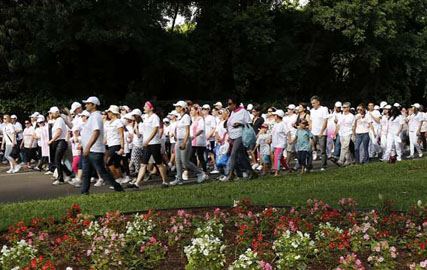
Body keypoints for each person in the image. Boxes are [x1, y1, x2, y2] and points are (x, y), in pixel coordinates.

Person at [80, 96, 124, 195]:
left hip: (94, 150)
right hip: (90, 149)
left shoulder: (95, 116)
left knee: (102, 171)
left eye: (88, 103)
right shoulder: (93, 116)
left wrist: (88, 147)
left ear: (94, 105)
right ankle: (84, 191)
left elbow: (96, 132)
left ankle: (118, 187)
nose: (86, 105)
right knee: (86, 172)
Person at [130, 101, 168, 188]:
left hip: (154, 143)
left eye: (146, 106)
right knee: (143, 164)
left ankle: (165, 182)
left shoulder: (154, 117)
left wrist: (148, 140)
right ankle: (137, 183)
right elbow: (142, 131)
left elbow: (155, 130)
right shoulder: (145, 118)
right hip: (147, 144)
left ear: (151, 108)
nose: (144, 108)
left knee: (159, 164)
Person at [169, 101, 207, 185]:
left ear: (182, 108)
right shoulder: (180, 117)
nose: (176, 108)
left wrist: (185, 143)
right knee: (177, 160)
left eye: (177, 106)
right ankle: (179, 178)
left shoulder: (186, 117)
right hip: (179, 140)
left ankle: (200, 173)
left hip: (184, 140)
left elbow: (187, 131)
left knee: (185, 161)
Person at [224, 95, 257, 181]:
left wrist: (240, 124)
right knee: (242, 156)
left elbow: (250, 124)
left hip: (239, 135)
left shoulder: (243, 111)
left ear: (235, 104)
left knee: (233, 154)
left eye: (230, 104)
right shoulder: (233, 112)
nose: (229, 105)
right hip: (232, 136)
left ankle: (231, 174)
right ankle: (252, 172)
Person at [48, 107, 73, 185]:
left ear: (55, 113)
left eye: (51, 113)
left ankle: (60, 178)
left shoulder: (59, 120)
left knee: (57, 160)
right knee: (58, 161)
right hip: (59, 142)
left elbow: (59, 132)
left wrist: (51, 140)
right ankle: (68, 173)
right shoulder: (57, 121)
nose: (50, 114)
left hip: (61, 142)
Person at [103, 105, 125, 185]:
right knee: (116, 163)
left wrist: (122, 147)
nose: (108, 113)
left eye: (109, 112)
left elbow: (121, 135)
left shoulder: (118, 122)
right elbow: (107, 136)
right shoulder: (108, 123)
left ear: (113, 113)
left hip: (116, 144)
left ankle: (117, 179)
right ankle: (120, 178)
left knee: (107, 161)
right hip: (110, 145)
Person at [308, 96, 329, 170]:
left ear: (318, 102)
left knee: (322, 150)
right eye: (312, 103)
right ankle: (309, 165)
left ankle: (323, 165)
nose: (312, 105)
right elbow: (310, 120)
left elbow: (325, 121)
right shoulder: (312, 110)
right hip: (313, 132)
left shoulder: (324, 109)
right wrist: (310, 129)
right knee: (310, 149)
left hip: (321, 133)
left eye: (314, 103)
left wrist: (322, 131)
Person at [190, 104, 209, 181]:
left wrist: (194, 136)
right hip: (193, 141)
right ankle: (197, 171)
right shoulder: (193, 119)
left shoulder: (200, 119)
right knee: (191, 156)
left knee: (200, 157)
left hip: (199, 141)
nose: (191, 112)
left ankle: (204, 172)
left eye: (192, 110)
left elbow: (201, 129)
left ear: (197, 110)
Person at [270, 110, 290, 176]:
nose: (273, 116)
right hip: (275, 143)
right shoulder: (276, 124)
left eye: (274, 115)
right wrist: (269, 138)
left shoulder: (283, 124)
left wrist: (290, 139)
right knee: (280, 157)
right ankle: (287, 168)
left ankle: (277, 172)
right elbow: (272, 133)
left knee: (277, 157)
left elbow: (288, 132)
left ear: (278, 116)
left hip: (281, 143)